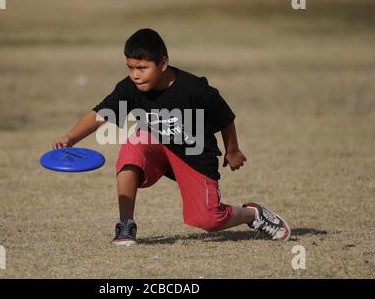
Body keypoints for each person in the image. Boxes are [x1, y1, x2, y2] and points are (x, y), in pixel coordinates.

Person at [52, 28, 291, 246]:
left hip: (193, 155)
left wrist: (232, 150)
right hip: (156, 147)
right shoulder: (129, 88)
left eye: (142, 68)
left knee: (208, 219)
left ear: (163, 63)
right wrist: (70, 138)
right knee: (132, 146)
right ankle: (126, 224)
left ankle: (253, 214)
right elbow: (100, 114)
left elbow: (225, 117)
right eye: (130, 67)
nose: (135, 75)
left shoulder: (194, 89)